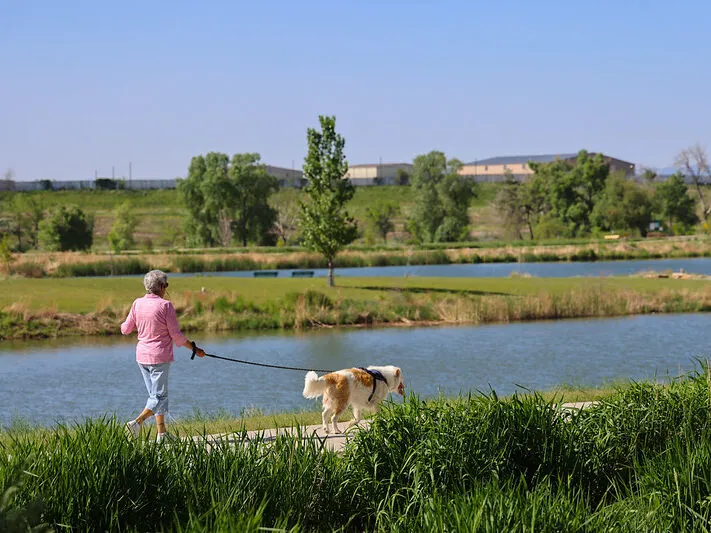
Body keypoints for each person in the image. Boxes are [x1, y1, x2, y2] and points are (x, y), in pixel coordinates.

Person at [121, 269, 205, 442]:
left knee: (155, 396)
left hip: (142, 357)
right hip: (159, 358)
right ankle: (136, 423)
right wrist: (194, 349)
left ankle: (162, 434)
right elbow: (177, 336)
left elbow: (125, 329)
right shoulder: (166, 306)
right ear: (161, 286)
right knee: (159, 397)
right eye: (166, 285)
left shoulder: (137, 303)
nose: (166, 288)